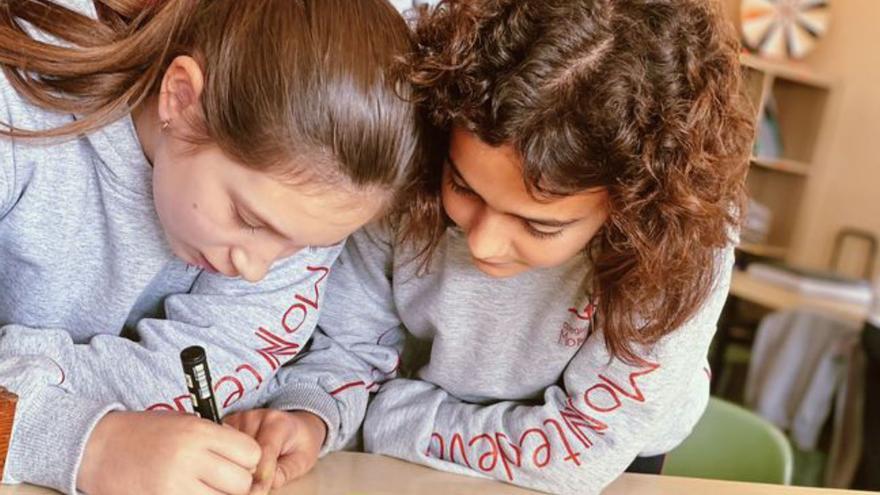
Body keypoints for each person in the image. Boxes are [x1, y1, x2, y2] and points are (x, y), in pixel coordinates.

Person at [249, 0, 755, 493]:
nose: (483, 243)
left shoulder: (683, 240)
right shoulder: (412, 161)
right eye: (463, 187)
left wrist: (384, 412)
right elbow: (348, 348)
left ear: (631, 210)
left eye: (539, 226)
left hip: (602, 462)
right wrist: (309, 413)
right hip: (413, 436)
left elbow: (581, 455)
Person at [0, 0, 423, 494]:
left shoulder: (308, 202)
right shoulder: (15, 113)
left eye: (307, 248)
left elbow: (224, 360)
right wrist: (89, 444)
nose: (256, 270)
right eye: (247, 218)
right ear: (180, 98)